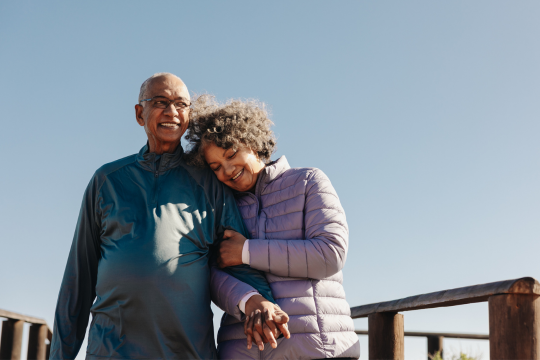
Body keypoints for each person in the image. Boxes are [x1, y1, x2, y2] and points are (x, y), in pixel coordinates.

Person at [50, 73, 287, 360]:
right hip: (110, 351)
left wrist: (263, 304)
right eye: (160, 102)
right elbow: (78, 280)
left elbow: (239, 266)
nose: (171, 112)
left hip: (188, 353)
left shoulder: (210, 183)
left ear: (188, 116)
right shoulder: (107, 181)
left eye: (181, 104)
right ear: (140, 113)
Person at [185, 95, 360, 359]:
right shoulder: (217, 207)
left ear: (253, 143)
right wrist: (250, 301)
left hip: (315, 348)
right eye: (216, 167)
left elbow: (331, 254)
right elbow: (210, 275)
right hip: (241, 349)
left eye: (232, 154)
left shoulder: (308, 181)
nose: (227, 170)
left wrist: (246, 252)